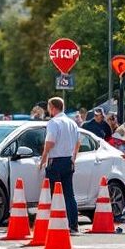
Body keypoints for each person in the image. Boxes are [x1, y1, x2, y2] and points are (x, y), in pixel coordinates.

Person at [39, 96, 80, 233]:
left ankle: (56, 224)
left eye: (49, 107)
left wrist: (43, 158)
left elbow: (50, 142)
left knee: (54, 194)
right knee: (69, 194)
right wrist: (73, 158)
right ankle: (73, 225)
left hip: (55, 162)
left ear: (53, 108)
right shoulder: (72, 123)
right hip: (68, 161)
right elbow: (78, 142)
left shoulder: (53, 122)